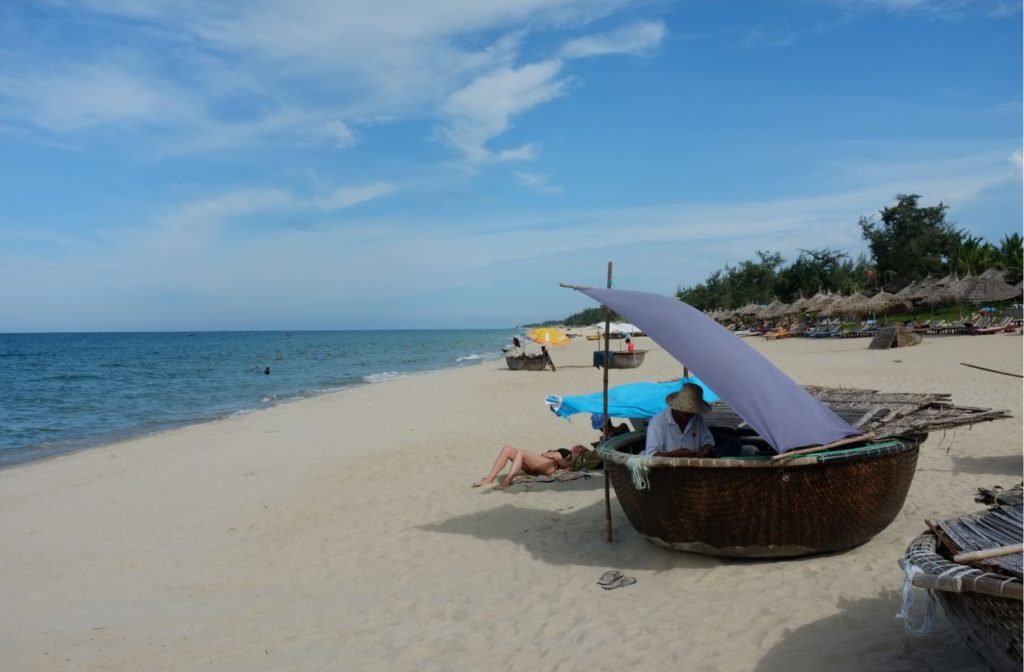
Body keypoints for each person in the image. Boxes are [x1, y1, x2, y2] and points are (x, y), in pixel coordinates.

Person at [644, 383, 715, 457]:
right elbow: (650, 456)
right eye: (686, 411)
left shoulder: (697, 417)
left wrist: (706, 448)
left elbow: (708, 440)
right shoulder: (658, 422)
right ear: (677, 407)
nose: (690, 414)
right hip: (666, 467)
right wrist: (675, 455)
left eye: (693, 411)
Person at [473, 444, 586, 489]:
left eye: (579, 448)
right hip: (540, 463)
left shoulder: (571, 455)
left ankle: (507, 481)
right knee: (507, 449)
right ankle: (490, 478)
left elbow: (567, 465)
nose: (576, 447)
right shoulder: (566, 451)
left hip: (550, 466)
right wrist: (548, 454)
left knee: (521, 452)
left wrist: (555, 457)